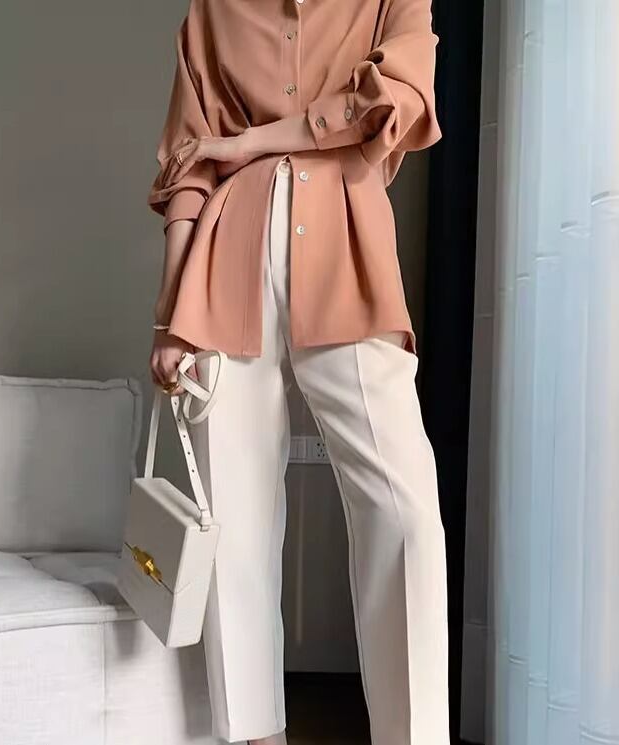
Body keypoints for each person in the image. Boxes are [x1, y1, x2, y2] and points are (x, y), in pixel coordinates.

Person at [147, 1, 449, 744]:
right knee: (231, 515)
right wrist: (170, 315)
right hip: (224, 257)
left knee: (405, 508)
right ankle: (255, 733)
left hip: (346, 244)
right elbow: (187, 162)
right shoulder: (213, 8)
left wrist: (247, 141)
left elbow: (393, 99)